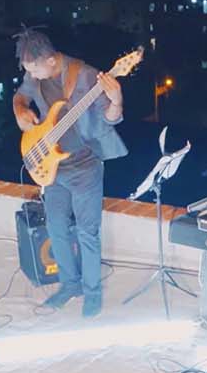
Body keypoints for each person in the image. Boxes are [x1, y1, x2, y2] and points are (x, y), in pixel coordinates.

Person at [11, 28, 126, 319]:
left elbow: (109, 119)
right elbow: (20, 97)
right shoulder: (35, 73)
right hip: (52, 166)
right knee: (56, 228)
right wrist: (20, 112)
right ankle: (69, 285)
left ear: (50, 60)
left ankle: (92, 294)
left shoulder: (86, 76)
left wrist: (116, 101)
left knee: (88, 233)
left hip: (84, 166)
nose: (31, 76)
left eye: (34, 69)